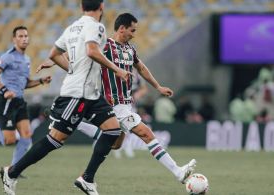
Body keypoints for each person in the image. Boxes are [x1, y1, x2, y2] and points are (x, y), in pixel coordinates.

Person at [39, 13, 196, 187]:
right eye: (132, 30)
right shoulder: (105, 45)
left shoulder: (130, 49)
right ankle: (178, 172)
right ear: (122, 28)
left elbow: (141, 68)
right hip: (113, 104)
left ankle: (78, 125)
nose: (134, 34)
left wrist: (158, 87)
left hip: (126, 105)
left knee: (116, 144)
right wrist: (52, 61)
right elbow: (79, 53)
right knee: (146, 134)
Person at [0, 1, 131, 195]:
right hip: (77, 95)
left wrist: (72, 69)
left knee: (113, 130)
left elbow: (54, 54)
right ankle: (11, 172)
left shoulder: (72, 27)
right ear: (101, 7)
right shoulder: (96, 27)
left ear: (81, 7)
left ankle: (87, 179)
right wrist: (117, 69)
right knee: (55, 140)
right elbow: (92, 51)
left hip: (91, 94)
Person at [0, 26, 51, 169]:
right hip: (7, 101)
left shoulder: (27, 59)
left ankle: (13, 171)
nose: (24, 38)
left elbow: (25, 83)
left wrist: (40, 81)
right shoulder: (8, 57)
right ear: (14, 39)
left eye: (26, 36)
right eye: (20, 36)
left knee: (26, 137)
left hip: (20, 101)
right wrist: (4, 89)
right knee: (8, 141)